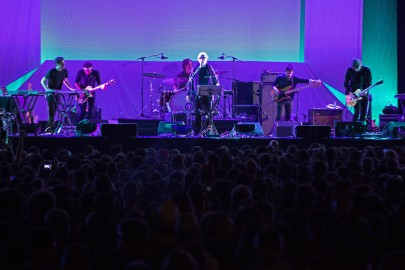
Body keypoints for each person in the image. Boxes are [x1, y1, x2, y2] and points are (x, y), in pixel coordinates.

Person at [187, 52, 220, 135]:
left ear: (206, 59)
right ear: (198, 59)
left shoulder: (209, 68)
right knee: (197, 113)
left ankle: (208, 131)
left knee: (208, 113)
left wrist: (215, 88)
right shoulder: (195, 68)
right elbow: (190, 82)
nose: (202, 59)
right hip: (196, 95)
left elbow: (215, 81)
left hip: (207, 95)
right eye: (200, 58)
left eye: (204, 58)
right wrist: (188, 94)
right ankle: (197, 131)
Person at [41, 57, 75, 133]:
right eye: (62, 63)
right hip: (50, 94)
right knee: (51, 111)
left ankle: (53, 128)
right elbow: (43, 81)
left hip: (57, 93)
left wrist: (71, 89)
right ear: (57, 64)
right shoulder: (51, 71)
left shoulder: (64, 71)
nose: (63, 65)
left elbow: (65, 81)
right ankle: (50, 129)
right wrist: (47, 89)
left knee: (57, 110)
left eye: (64, 63)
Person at [344, 58, 372, 123]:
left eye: (357, 68)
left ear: (360, 66)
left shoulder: (366, 70)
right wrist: (350, 92)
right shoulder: (349, 70)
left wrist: (365, 91)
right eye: (354, 69)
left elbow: (369, 83)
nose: (355, 70)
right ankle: (353, 128)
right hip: (353, 94)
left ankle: (361, 129)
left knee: (363, 113)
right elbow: (345, 83)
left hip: (363, 93)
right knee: (356, 112)